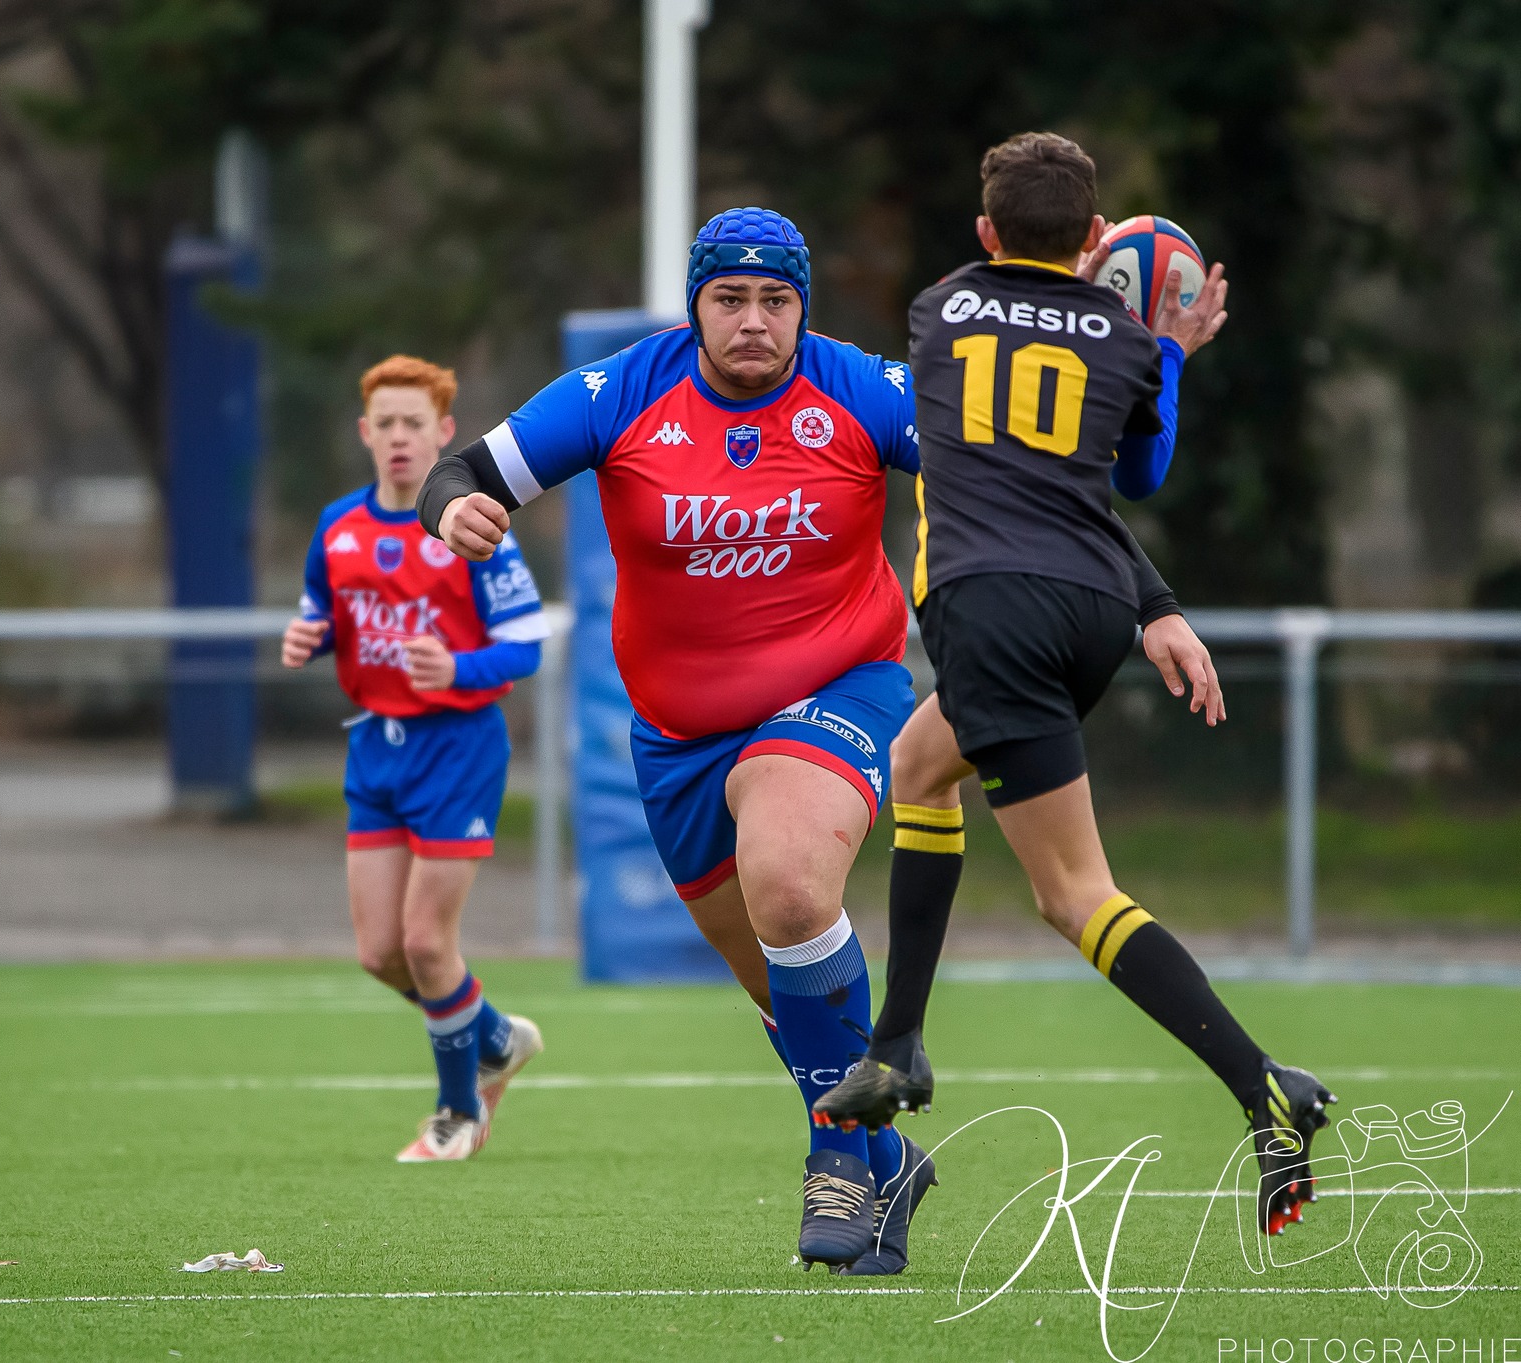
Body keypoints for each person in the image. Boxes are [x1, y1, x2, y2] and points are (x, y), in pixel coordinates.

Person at [812, 133, 1338, 1240]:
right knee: (917, 762)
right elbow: (1134, 478)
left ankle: (1261, 1087)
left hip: (989, 608)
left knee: (1073, 894)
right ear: (1095, 238)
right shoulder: (1124, 339)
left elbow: (989, 434)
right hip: (1094, 608)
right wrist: (1170, 352)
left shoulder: (938, 308)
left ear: (983, 233)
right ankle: (895, 1045)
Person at [418, 209, 936, 1273]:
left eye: (775, 300)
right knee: (780, 990)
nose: (753, 321)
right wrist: (452, 514)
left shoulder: (862, 391)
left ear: (802, 307)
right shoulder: (619, 393)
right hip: (676, 739)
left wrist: (1142, 373)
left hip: (841, 688)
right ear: (695, 304)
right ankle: (886, 1159)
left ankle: (836, 1154)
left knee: (790, 883)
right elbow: (461, 471)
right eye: (729, 299)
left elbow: (1015, 464)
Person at [282, 355, 548, 1163]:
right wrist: (311, 635)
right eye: (385, 423)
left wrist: (459, 669)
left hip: (457, 748)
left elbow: (527, 642)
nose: (399, 437)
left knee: (429, 943)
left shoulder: (473, 523)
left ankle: (457, 1111)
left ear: (443, 434)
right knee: (380, 953)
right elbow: (323, 612)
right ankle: (495, 1036)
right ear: (366, 433)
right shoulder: (338, 527)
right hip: (375, 747)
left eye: (414, 424)